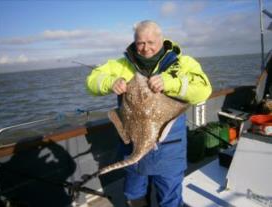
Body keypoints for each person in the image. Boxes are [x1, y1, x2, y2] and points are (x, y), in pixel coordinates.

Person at [86, 20, 212, 207]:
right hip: (133, 145)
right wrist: (110, 83)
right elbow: (92, 81)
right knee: (135, 195)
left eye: (151, 42)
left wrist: (170, 84)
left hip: (170, 147)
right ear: (134, 42)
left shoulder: (182, 63)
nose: (145, 48)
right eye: (140, 43)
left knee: (169, 197)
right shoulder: (121, 64)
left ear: (162, 39)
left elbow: (204, 90)